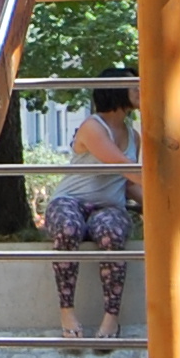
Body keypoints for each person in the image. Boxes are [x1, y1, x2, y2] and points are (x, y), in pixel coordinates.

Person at [45, 77, 139, 343]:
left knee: (112, 232)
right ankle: (67, 314)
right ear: (117, 91)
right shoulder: (92, 127)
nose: (142, 91)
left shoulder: (135, 135)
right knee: (68, 228)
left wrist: (162, 206)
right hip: (70, 201)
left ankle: (111, 319)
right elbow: (125, 166)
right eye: (135, 86)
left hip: (108, 205)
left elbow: (129, 183)